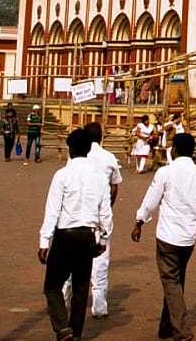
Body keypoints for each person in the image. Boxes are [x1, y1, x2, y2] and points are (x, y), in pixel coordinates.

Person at [132, 132, 196, 341]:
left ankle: (181, 329)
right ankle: (166, 326)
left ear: (175, 150)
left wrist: (140, 221)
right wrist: (195, 214)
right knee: (177, 280)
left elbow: (151, 201)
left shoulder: (165, 172)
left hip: (168, 235)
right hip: (188, 235)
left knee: (170, 281)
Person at [40, 127, 112, 341]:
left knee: (53, 286)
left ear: (70, 150)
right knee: (81, 288)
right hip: (87, 236)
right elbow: (105, 212)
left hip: (65, 235)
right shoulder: (99, 177)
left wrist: (44, 240)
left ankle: (63, 327)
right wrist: (103, 238)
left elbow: (52, 209)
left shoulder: (62, 175)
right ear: (90, 149)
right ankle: (76, 333)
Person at [82, 122, 123, 319]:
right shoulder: (109, 158)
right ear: (101, 137)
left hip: (79, 216)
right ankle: (99, 307)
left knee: (74, 262)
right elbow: (115, 187)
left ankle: (66, 300)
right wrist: (108, 205)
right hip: (101, 215)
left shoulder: (78, 157)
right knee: (100, 263)